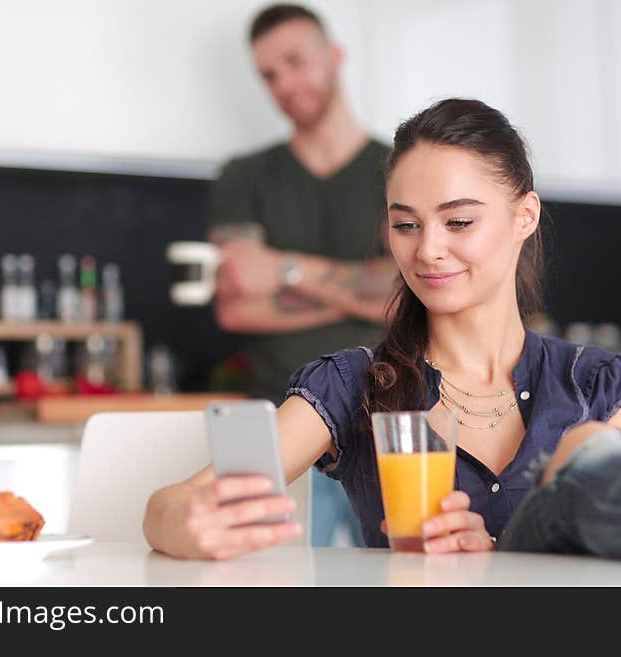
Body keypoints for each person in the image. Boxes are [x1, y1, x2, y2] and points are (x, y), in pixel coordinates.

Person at [145, 97, 621, 566]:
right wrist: (188, 525)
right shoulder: (354, 385)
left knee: (608, 445)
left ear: (525, 216)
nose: (427, 250)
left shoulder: (596, 382)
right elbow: (169, 504)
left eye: (460, 221)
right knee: (581, 453)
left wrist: (493, 556)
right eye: (405, 224)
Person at [208, 4, 395, 547]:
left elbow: (409, 293)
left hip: (387, 425)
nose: (285, 83)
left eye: (296, 61)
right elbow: (236, 306)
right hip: (278, 432)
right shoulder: (242, 177)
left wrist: (285, 270)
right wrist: (364, 287)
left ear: (335, 57)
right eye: (269, 74)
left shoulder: (401, 168)